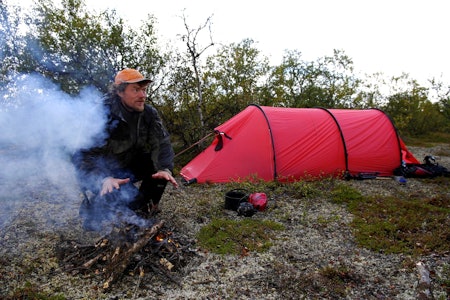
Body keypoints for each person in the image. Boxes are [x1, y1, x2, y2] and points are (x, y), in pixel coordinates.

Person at [72, 68, 178, 231]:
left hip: (126, 165)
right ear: (120, 92)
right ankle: (94, 209)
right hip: (101, 171)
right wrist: (103, 178)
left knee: (156, 168)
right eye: (136, 90)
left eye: (144, 90)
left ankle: (145, 210)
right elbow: (82, 156)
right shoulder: (100, 113)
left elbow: (162, 142)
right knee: (98, 219)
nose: (143, 95)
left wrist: (165, 168)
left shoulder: (149, 113)